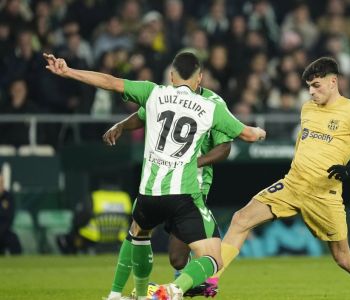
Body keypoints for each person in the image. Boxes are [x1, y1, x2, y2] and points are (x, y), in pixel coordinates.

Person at [43, 51, 266, 300]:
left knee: (139, 234)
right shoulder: (209, 107)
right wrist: (259, 132)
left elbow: (110, 81)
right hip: (183, 194)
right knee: (214, 259)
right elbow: (246, 135)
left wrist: (68, 71)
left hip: (148, 194)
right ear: (199, 78)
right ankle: (174, 290)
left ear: (171, 76)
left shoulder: (154, 93)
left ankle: (130, 294)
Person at [211, 57, 350, 300]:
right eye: (308, 86)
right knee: (241, 219)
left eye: (316, 85)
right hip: (293, 184)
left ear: (333, 82)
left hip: (323, 194)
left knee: (343, 258)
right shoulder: (307, 108)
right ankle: (212, 280)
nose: (311, 91)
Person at [102, 85, 234, 299]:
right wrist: (122, 126)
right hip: (162, 182)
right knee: (138, 229)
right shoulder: (167, 97)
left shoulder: (213, 104)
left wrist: (192, 163)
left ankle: (173, 287)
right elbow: (143, 114)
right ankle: (119, 294)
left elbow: (225, 147)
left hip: (193, 187)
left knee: (178, 259)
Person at [0, 172, 22, 255]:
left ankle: (18, 262)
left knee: (13, 239)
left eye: (1, 183)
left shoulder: (8, 197)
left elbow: (9, 218)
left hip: (3, 232)